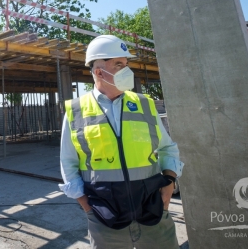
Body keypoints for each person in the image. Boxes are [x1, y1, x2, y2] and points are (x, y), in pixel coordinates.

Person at [59, 35, 184, 249]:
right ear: (99, 72)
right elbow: (68, 164)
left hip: (152, 213)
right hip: (105, 220)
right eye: (118, 64)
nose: (127, 71)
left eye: (126, 64)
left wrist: (169, 184)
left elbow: (167, 149)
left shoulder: (144, 104)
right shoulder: (76, 110)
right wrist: (87, 207)